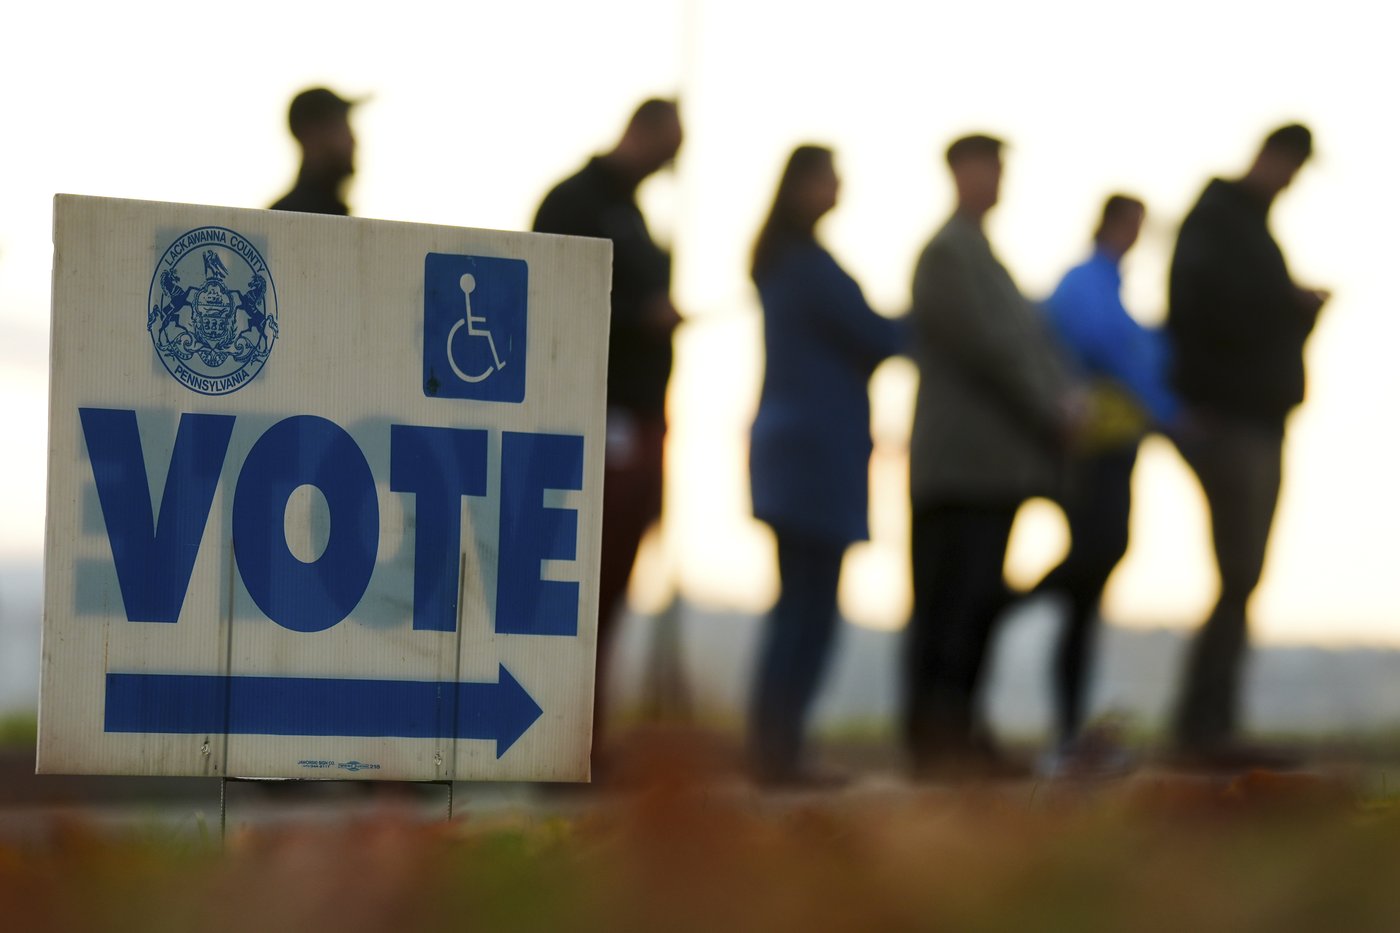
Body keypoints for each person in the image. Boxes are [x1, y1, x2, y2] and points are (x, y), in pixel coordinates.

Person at [904, 134, 1078, 778]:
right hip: (959, 469)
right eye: (989, 167)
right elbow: (990, 348)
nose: (998, 179)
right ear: (958, 171)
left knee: (973, 606)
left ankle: (961, 735)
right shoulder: (948, 254)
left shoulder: (984, 256)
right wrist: (1055, 405)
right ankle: (936, 742)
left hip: (990, 470)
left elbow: (1025, 344)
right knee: (948, 607)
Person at [1166, 123, 1329, 765]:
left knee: (1243, 573)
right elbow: (1211, 314)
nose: (1290, 182)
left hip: (1254, 417)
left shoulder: (1245, 228)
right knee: (1238, 569)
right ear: (1273, 157)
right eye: (1291, 167)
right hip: (1231, 419)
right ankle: (1204, 729)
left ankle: (1211, 723)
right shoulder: (1219, 223)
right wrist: (1289, 305)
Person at [531, 99, 683, 776]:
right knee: (575, 590)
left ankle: (586, 737)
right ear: (644, 132)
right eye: (671, 144)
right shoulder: (575, 203)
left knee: (611, 588)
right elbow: (547, 295)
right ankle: (559, 742)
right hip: (591, 423)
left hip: (639, 423)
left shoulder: (635, 214)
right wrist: (639, 317)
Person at [746, 145, 905, 787]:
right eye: (831, 178)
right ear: (806, 185)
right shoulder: (810, 269)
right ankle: (780, 752)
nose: (839, 189)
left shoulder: (782, 263)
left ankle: (775, 746)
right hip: (817, 456)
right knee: (810, 610)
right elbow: (881, 336)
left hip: (791, 452)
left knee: (798, 604)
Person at [1033, 194, 1179, 772]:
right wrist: (1162, 402)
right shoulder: (1084, 284)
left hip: (1114, 444)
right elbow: (1104, 349)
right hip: (1093, 447)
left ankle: (1069, 729)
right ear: (1115, 225)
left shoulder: (1110, 288)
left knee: (1090, 584)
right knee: (1093, 560)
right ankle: (1006, 604)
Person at [270, 87, 360, 215]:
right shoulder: (284, 216)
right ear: (310, 134)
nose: (351, 141)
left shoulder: (333, 211)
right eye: (340, 128)